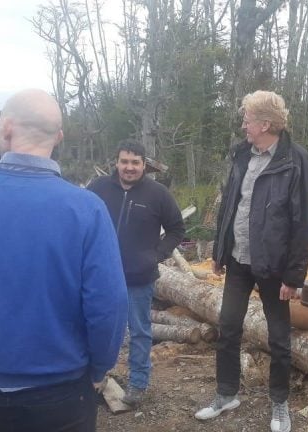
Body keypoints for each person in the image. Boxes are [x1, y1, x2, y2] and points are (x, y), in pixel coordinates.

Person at [0, 88, 129, 432]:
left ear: (6, 128)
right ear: (58, 137)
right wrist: (98, 370)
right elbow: (110, 304)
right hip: (62, 398)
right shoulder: (86, 209)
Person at [195, 90, 308, 432]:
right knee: (228, 327)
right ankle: (226, 393)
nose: (243, 125)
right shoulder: (241, 155)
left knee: (278, 338)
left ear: (265, 124)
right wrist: (220, 253)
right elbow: (230, 206)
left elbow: (303, 221)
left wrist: (294, 277)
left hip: (275, 267)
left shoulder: (296, 160)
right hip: (238, 261)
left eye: (247, 119)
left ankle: (279, 404)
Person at [87, 139, 185, 405]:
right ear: (116, 162)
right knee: (96, 327)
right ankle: (96, 378)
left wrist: (156, 255)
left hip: (139, 278)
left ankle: (138, 385)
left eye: (135, 163)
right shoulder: (98, 189)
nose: (129, 168)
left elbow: (177, 229)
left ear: (144, 165)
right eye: (124, 162)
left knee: (140, 331)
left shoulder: (158, 193)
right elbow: (82, 221)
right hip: (101, 277)